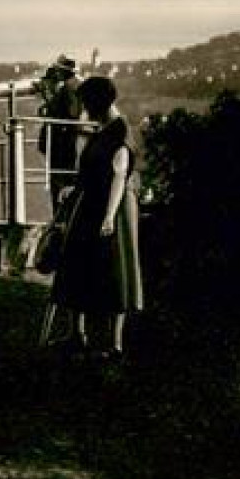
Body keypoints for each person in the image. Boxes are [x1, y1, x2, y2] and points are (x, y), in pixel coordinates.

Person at [50, 76, 144, 357]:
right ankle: (76, 334)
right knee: (75, 265)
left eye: (87, 104)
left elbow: (118, 177)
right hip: (90, 203)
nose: (84, 110)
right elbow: (93, 170)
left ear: (98, 103)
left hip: (112, 209)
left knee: (115, 271)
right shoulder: (103, 130)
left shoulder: (119, 133)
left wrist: (109, 216)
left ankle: (114, 344)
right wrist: (74, 188)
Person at [35, 54, 83, 212]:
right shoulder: (74, 85)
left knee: (60, 185)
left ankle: (60, 220)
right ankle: (61, 218)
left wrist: (50, 107)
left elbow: (72, 113)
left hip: (62, 147)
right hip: (64, 145)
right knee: (62, 184)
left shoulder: (71, 87)